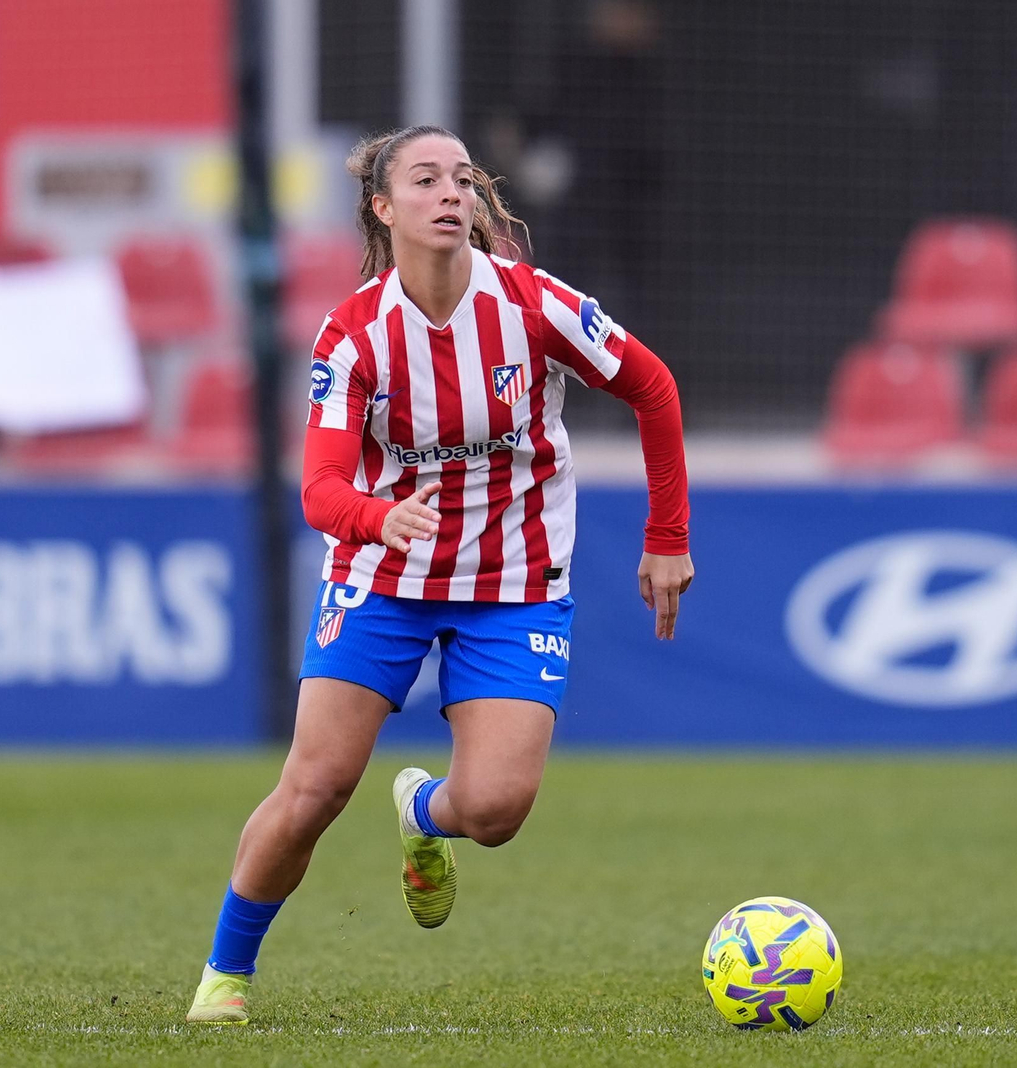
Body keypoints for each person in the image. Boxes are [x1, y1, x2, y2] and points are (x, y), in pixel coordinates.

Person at [185, 124, 693, 1024]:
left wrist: (667, 535)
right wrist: (384, 518)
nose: (452, 193)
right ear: (385, 209)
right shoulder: (352, 337)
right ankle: (225, 979)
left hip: (515, 581)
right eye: (427, 180)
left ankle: (423, 812)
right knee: (314, 791)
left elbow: (652, 385)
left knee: (495, 810)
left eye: (462, 179)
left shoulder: (532, 305)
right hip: (384, 576)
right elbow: (319, 491)